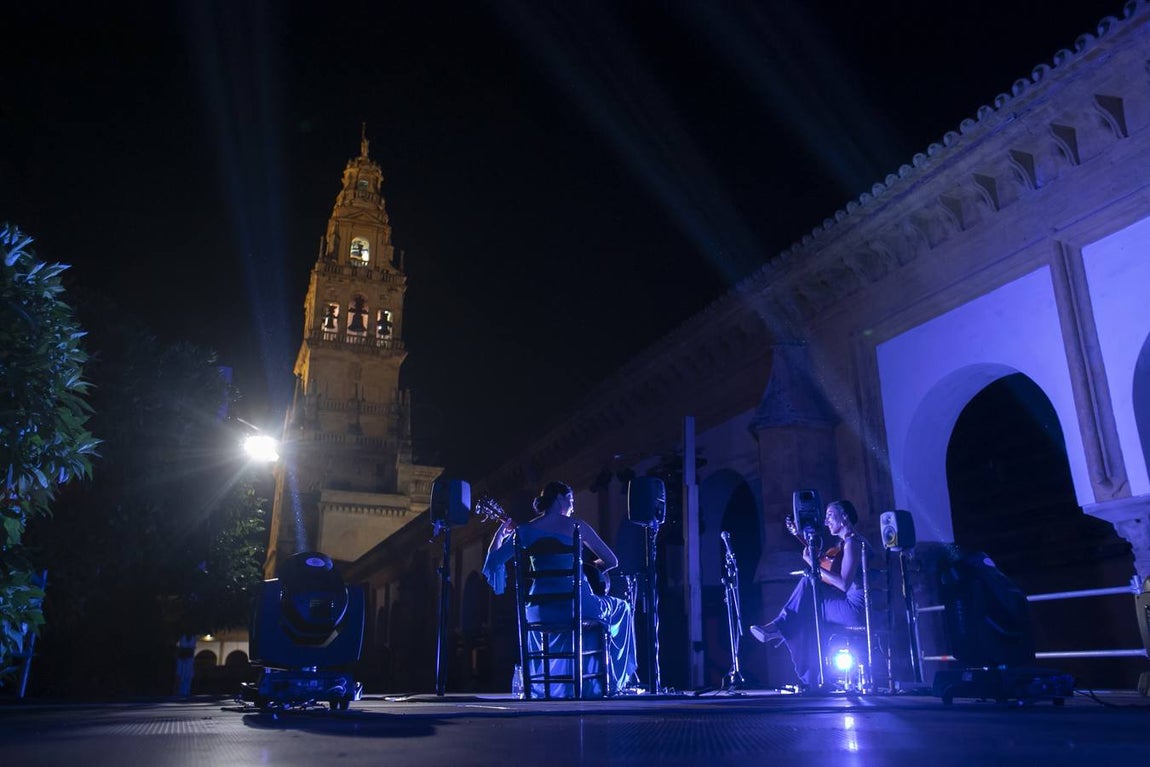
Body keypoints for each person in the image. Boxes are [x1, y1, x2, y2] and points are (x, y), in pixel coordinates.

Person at [482, 481, 638, 696]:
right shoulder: (577, 526)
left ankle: (553, 685)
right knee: (622, 608)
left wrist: (501, 533)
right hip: (575, 605)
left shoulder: (525, 531)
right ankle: (611, 681)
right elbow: (612, 560)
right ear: (559, 498)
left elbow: (493, 562)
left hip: (538, 610)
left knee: (564, 624)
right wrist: (588, 566)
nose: (573, 507)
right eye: (571, 500)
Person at [749, 499, 866, 689]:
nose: (826, 521)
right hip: (848, 605)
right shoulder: (847, 542)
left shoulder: (852, 543)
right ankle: (813, 673)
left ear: (844, 516)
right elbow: (827, 565)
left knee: (806, 594)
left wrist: (813, 566)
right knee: (807, 604)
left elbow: (843, 584)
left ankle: (782, 630)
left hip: (854, 609)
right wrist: (799, 536)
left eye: (830, 515)